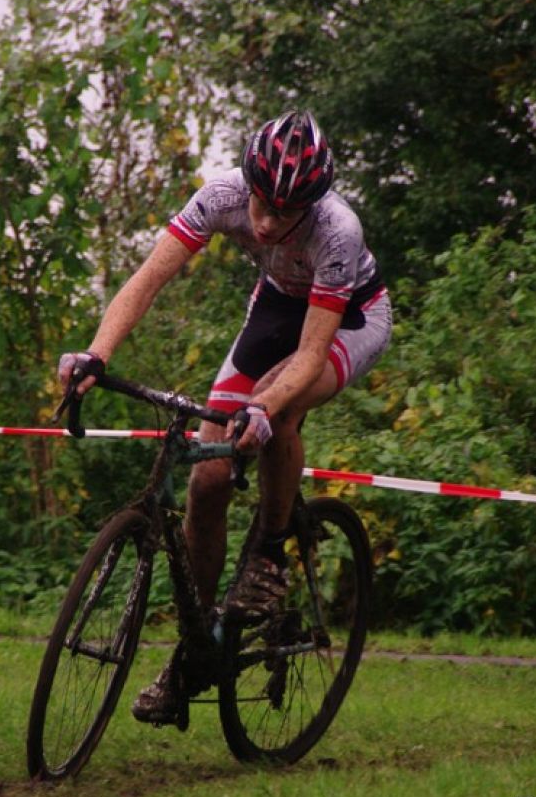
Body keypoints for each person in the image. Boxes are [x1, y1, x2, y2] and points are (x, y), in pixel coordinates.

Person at [57, 110, 393, 724]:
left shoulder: (338, 230)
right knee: (206, 479)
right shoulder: (221, 196)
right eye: (261, 203)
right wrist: (96, 354)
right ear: (248, 183)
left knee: (276, 407)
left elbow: (310, 356)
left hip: (350, 319)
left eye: (284, 214)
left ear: (311, 204)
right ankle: (195, 650)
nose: (265, 224)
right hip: (278, 304)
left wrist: (262, 407)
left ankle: (269, 553)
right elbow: (147, 279)